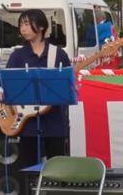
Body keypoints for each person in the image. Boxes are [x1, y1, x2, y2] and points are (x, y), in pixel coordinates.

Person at [5, 9, 73, 164]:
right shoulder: (18, 56)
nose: (23, 29)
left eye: (28, 24)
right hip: (27, 123)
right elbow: (8, 85)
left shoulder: (59, 54)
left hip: (54, 121)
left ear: (42, 26)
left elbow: (67, 86)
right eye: (21, 24)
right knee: (28, 168)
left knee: (57, 167)